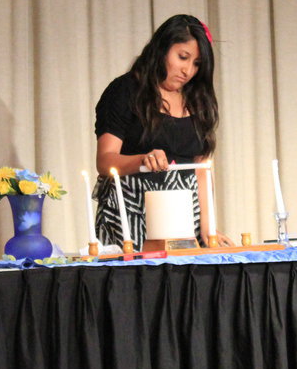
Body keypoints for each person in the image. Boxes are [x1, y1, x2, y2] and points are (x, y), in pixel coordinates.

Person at [94, 14, 232, 249]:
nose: (188, 70)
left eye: (196, 64)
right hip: (131, 214)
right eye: (183, 57)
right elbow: (105, 161)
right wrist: (142, 160)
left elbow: (201, 170)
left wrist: (208, 231)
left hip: (185, 220)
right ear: (161, 49)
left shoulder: (198, 99)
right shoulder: (124, 91)